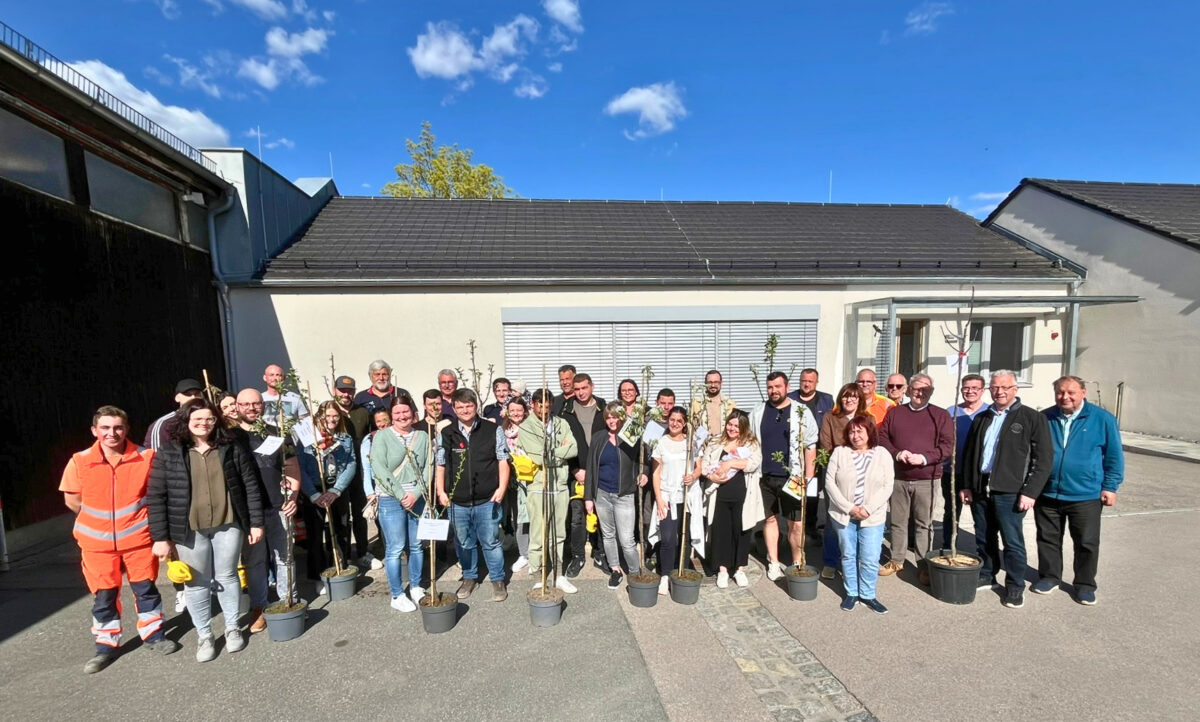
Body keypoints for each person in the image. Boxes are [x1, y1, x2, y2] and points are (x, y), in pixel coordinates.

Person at [60, 406, 180, 674]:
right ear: (95, 431)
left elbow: (158, 497)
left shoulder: (145, 457)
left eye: (117, 427)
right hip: (97, 546)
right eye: (105, 428)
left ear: (126, 429)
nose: (111, 433)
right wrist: (102, 526)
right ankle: (106, 646)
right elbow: (72, 500)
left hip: (138, 540)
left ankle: (154, 636)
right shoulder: (79, 461)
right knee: (104, 597)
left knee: (146, 591)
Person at [148, 399, 264, 662]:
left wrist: (255, 522)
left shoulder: (230, 447)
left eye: (209, 419)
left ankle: (233, 628)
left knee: (228, 576)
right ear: (187, 421)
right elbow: (156, 496)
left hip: (228, 524)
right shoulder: (170, 452)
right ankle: (205, 635)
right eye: (197, 419)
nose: (204, 424)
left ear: (217, 420)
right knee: (196, 583)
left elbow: (250, 486)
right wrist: (160, 537)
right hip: (189, 529)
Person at [961, 370, 1053, 609]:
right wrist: (967, 485)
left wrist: (1030, 492)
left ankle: (1014, 586)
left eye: (1004, 387)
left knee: (1012, 541)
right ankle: (988, 574)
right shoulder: (983, 417)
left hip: (1011, 492)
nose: (999, 392)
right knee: (984, 535)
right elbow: (971, 454)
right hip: (982, 488)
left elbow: (1043, 460)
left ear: (1015, 389)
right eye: (994, 387)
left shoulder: (1032, 418)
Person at [1034, 376, 1124, 605]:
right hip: (1048, 492)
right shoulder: (1045, 418)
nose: (1065, 397)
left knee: (1086, 542)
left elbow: (1114, 456)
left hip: (1085, 494)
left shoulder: (1102, 419)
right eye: (1060, 392)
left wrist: (1110, 486)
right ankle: (1049, 576)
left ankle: (1084, 584)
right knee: (1047, 539)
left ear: (1083, 392)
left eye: (1071, 392)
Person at [232, 389, 300, 635]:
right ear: (237, 407)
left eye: (256, 403)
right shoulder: (230, 437)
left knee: (285, 556)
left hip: (279, 506)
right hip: (250, 512)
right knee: (255, 562)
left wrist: (292, 496)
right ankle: (259, 607)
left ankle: (288, 601)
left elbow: (291, 467)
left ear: (263, 405)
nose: (251, 408)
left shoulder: (278, 433)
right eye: (246, 404)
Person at [878, 373, 954, 585]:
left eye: (925, 390)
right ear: (908, 390)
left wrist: (923, 458)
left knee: (923, 524)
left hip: (927, 478)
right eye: (916, 389)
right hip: (899, 477)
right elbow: (882, 437)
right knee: (897, 522)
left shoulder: (939, 415)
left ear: (931, 391)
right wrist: (897, 453)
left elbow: (948, 445)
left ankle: (923, 565)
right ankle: (896, 560)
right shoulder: (896, 413)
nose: (920, 393)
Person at [435, 389, 511, 602]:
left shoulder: (492, 429)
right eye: (460, 407)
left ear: (475, 406)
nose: (464, 410)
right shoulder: (447, 433)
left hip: (487, 498)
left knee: (491, 541)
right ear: (454, 408)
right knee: (464, 542)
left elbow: (503, 461)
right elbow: (440, 464)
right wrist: (441, 491)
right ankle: (469, 577)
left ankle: (497, 579)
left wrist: (501, 489)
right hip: (457, 501)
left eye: (468, 406)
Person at [748, 372, 818, 580]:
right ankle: (773, 561)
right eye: (770, 387)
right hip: (765, 476)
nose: (773, 391)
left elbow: (810, 446)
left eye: (778, 386)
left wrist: (808, 478)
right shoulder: (759, 412)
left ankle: (797, 561)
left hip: (793, 477)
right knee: (769, 520)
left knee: (795, 523)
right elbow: (751, 442)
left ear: (787, 387)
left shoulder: (801, 412)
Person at [825, 416, 894, 614]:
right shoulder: (840, 452)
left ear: (869, 432)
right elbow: (830, 483)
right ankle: (852, 593)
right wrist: (849, 508)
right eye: (851, 432)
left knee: (870, 557)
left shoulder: (882, 454)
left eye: (859, 431)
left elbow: (888, 485)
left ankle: (868, 594)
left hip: (872, 516)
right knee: (848, 555)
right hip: (844, 514)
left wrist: (868, 508)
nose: (855, 436)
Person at [369, 395, 430, 612]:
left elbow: (428, 467)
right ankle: (396, 594)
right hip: (390, 498)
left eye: (406, 411)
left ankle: (415, 586)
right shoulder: (382, 437)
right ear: (391, 415)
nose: (402, 416)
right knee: (395, 548)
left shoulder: (422, 436)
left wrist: (414, 494)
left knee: (416, 545)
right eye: (397, 413)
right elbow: (378, 467)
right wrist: (399, 494)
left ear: (413, 412)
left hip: (416, 496)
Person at [517, 388, 580, 594]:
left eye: (547, 405)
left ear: (552, 404)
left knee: (558, 533)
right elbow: (537, 457)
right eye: (539, 405)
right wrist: (558, 452)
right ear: (533, 405)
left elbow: (574, 448)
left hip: (560, 486)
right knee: (538, 534)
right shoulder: (526, 427)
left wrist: (552, 453)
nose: (544, 409)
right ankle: (537, 575)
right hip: (538, 487)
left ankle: (558, 574)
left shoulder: (562, 423)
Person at [584, 402, 649, 589]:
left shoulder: (632, 433)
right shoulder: (598, 437)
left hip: (625, 495)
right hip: (601, 494)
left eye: (615, 416)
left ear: (622, 417)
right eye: (608, 417)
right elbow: (590, 467)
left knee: (627, 540)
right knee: (608, 535)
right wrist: (589, 497)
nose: (611, 420)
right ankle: (615, 569)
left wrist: (644, 472)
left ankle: (635, 573)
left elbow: (644, 456)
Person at [700, 410, 764, 589]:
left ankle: (740, 569)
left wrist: (729, 463)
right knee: (721, 532)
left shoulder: (751, 444)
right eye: (730, 424)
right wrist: (711, 477)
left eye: (736, 426)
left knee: (742, 532)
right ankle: (722, 570)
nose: (732, 428)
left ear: (743, 427)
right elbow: (705, 465)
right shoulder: (715, 442)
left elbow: (753, 463)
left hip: (743, 496)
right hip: (720, 495)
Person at [298, 401, 357, 592]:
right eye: (327, 416)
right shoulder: (307, 439)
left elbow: (351, 464)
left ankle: (340, 565)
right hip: (314, 489)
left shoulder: (345, 438)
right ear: (319, 417)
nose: (331, 420)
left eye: (335, 416)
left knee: (340, 530)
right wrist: (313, 494)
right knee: (315, 534)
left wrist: (336, 490)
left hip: (337, 489)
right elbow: (300, 467)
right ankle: (317, 575)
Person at [816, 382, 871, 578]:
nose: (849, 400)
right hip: (837, 473)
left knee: (859, 518)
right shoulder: (831, 417)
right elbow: (825, 444)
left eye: (854, 396)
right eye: (846, 396)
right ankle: (831, 561)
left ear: (859, 399)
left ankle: (856, 558)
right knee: (834, 519)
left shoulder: (867, 419)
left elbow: (873, 443)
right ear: (841, 398)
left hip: (863, 475)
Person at [648, 407, 705, 595]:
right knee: (668, 538)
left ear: (685, 423)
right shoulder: (661, 443)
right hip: (667, 496)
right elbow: (655, 472)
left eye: (679, 421)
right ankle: (665, 575)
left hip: (687, 497)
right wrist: (659, 498)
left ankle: (680, 570)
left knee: (685, 536)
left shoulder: (692, 443)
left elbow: (699, 467)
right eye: (672, 420)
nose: (674, 424)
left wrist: (694, 476)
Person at [559, 372, 608, 577]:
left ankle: (600, 554)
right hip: (577, 472)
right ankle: (578, 556)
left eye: (584, 388)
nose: (580, 392)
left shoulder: (604, 409)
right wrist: (574, 470)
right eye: (576, 389)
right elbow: (561, 443)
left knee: (602, 515)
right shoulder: (566, 412)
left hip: (602, 472)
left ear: (592, 387)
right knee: (577, 517)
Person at [941, 374, 989, 550]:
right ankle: (948, 548)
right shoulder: (950, 412)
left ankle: (983, 552)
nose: (970, 391)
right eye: (966, 388)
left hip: (978, 475)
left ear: (982, 391)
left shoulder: (989, 413)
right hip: (952, 471)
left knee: (981, 515)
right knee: (951, 513)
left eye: (975, 388)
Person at [333, 375, 375, 568]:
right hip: (338, 473)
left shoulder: (363, 413)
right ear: (335, 390)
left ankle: (363, 551)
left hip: (360, 471)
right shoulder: (330, 411)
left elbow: (373, 436)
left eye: (349, 391)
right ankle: (344, 555)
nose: (346, 394)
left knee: (360, 514)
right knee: (341, 516)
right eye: (342, 390)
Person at [502, 397, 533, 573]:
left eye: (519, 410)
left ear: (525, 411)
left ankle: (534, 553)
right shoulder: (502, 429)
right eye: (512, 410)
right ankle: (523, 554)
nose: (515, 413)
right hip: (511, 480)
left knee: (533, 516)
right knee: (518, 517)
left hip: (530, 478)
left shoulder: (531, 428)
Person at [144, 378, 204, 451]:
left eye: (197, 394)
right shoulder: (165, 423)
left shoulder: (210, 419)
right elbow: (155, 454)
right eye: (188, 394)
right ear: (177, 398)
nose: (193, 397)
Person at [692, 369, 737, 438]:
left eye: (716, 382)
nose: (713, 385)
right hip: (704, 445)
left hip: (724, 443)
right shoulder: (697, 403)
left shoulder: (730, 404)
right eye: (710, 382)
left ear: (721, 383)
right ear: (705, 383)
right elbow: (692, 428)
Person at [261, 364, 309, 429]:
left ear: (284, 378)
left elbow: (305, 421)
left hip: (290, 436)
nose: (275, 378)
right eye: (271, 375)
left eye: (278, 375)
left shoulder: (295, 398)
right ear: (265, 377)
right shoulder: (260, 399)